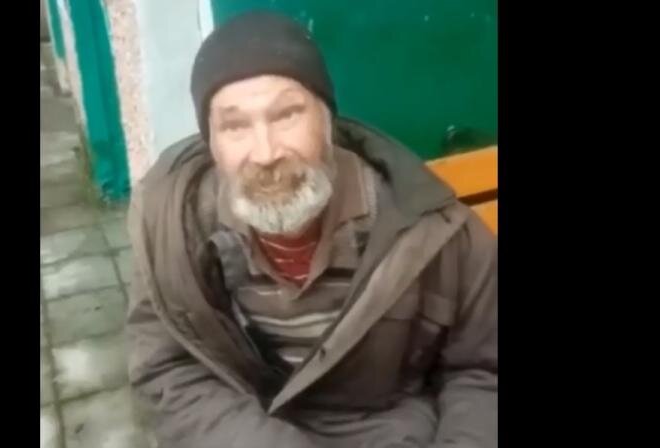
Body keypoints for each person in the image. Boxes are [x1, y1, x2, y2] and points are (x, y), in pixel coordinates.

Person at [126, 11, 496, 448]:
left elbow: (483, 369)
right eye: (235, 125)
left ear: (327, 122)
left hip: (387, 428)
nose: (265, 153)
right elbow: (168, 366)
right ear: (211, 143)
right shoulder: (173, 224)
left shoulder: (430, 227)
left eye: (286, 115)